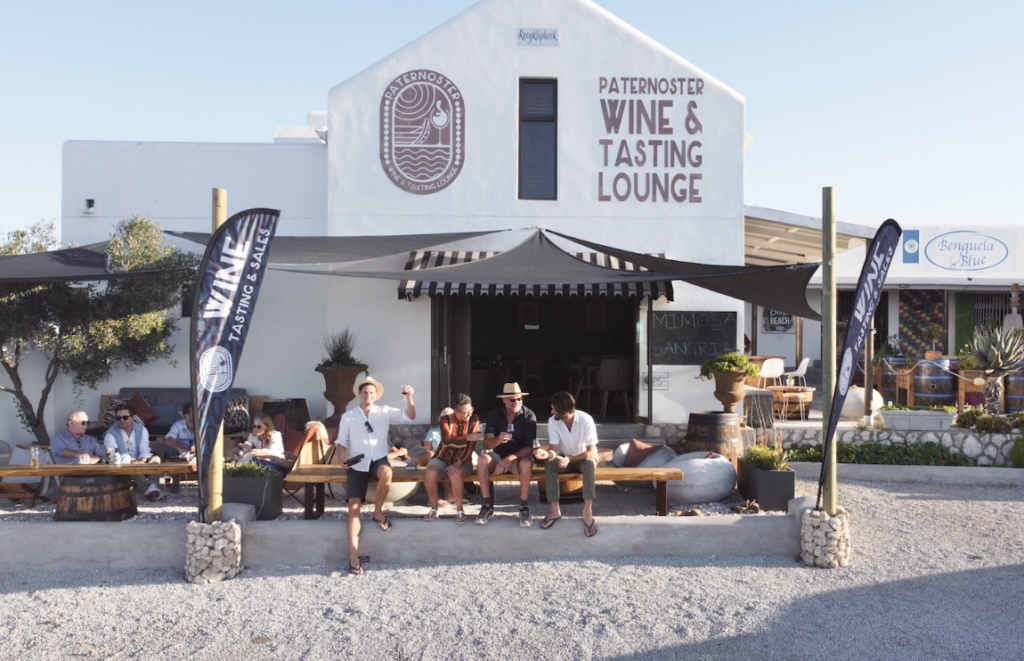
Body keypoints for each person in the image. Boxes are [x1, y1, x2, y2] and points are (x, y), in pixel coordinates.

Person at [336, 376, 416, 575]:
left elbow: (410, 416)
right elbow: (341, 442)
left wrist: (409, 397)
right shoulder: (349, 416)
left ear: (375, 395)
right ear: (360, 395)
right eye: (365, 392)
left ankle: (378, 511)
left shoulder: (384, 411)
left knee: (386, 472)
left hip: (378, 459)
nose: (368, 395)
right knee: (353, 507)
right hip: (357, 462)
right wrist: (340, 458)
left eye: (371, 393)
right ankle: (354, 557)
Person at [534, 391, 599, 537]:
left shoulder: (585, 420)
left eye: (554, 409)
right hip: (563, 457)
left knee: (589, 464)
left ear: (564, 411)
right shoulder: (553, 421)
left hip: (583, 457)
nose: (551, 411)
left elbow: (591, 452)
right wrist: (547, 454)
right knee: (549, 463)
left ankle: (587, 511)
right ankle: (554, 509)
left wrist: (571, 459)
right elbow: (554, 450)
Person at [477, 382, 537, 527]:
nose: (516, 402)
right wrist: (497, 439)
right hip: (498, 457)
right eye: (512, 399)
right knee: (482, 459)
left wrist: (511, 458)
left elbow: (530, 447)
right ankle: (486, 505)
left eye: (519, 399)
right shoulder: (494, 414)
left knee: (527, 462)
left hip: (519, 458)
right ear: (504, 400)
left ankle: (523, 506)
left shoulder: (529, 415)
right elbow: (486, 443)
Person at [423, 393, 480, 524]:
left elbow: (471, 446)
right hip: (442, 456)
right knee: (429, 472)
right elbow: (447, 440)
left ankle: (460, 510)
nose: (469, 415)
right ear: (455, 412)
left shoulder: (474, 420)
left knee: (455, 474)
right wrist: (466, 437)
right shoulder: (445, 420)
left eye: (471, 411)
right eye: (465, 413)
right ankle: (433, 508)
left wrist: (458, 463)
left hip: (463, 459)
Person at [103, 404, 163, 501]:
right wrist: (131, 460)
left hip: (139, 460)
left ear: (133, 417)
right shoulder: (110, 435)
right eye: (118, 418)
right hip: (124, 463)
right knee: (130, 465)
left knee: (156, 459)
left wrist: (143, 459)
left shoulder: (142, 429)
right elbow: (113, 456)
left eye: (125, 417)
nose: (122, 420)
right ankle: (148, 490)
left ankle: (152, 486)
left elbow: (144, 447)